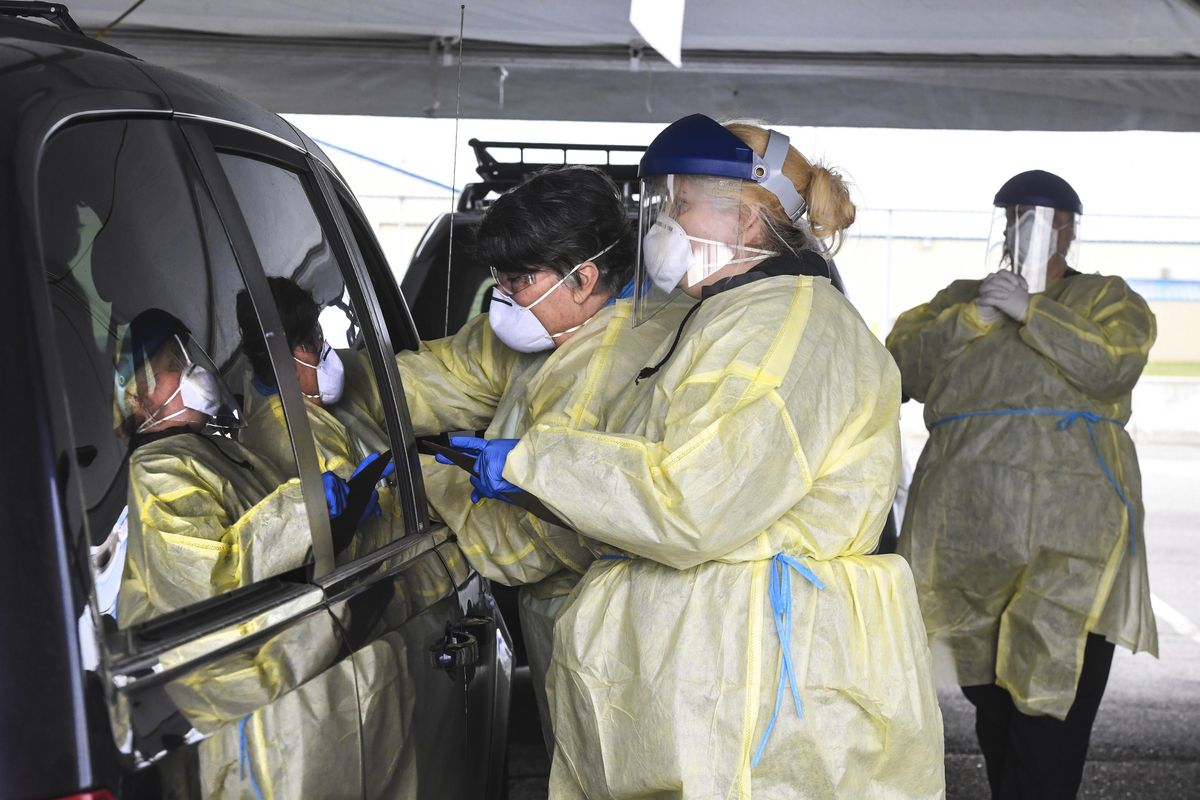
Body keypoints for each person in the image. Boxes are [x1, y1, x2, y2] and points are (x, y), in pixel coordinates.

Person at [451, 115, 945, 798]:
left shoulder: (776, 332)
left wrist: (534, 464)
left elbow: (691, 501)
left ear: (745, 220)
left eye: (679, 204)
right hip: (720, 681)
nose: (662, 223)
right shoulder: (735, 315)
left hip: (747, 693)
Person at [402, 165, 693, 752]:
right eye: (496, 279)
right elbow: (435, 379)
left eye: (518, 279)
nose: (502, 297)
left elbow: (530, 543)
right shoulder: (543, 333)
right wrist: (338, 380)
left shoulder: (622, 365)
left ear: (583, 279)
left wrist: (420, 482)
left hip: (609, 629)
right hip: (562, 629)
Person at [886, 169, 1157, 799]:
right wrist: (974, 315)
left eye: (1047, 218)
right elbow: (897, 370)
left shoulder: (1106, 299)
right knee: (995, 710)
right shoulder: (956, 299)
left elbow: (1113, 366)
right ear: (1001, 224)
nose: (1030, 229)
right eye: (1018, 216)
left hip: (1073, 544)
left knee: (1049, 711)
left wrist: (1031, 312)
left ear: (1070, 228)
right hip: (969, 544)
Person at [116, 308, 317, 625]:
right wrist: (310, 511)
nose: (190, 372)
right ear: (138, 400)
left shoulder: (215, 447)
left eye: (185, 360)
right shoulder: (155, 474)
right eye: (173, 366)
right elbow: (213, 583)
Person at [236, 279, 395, 557]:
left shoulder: (305, 402)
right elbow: (368, 536)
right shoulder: (291, 436)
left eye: (317, 331)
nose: (322, 345)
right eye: (309, 342)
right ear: (281, 361)